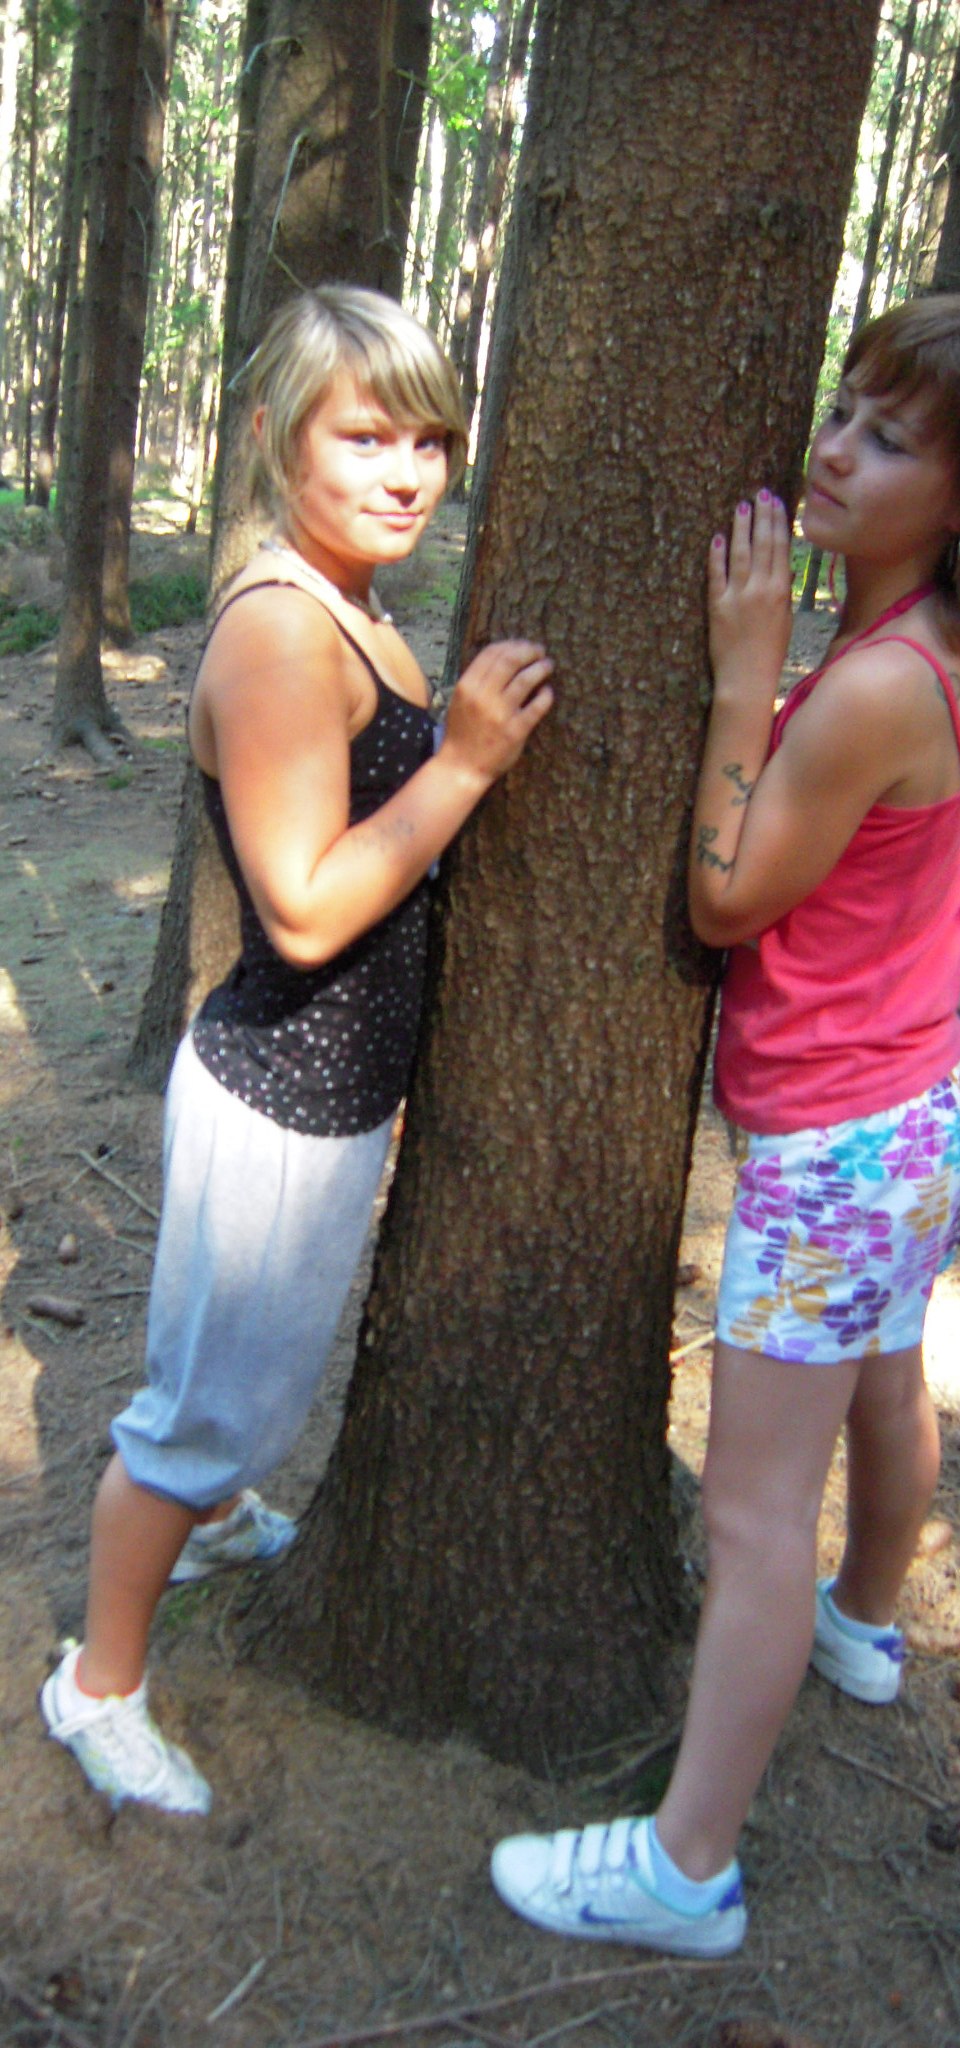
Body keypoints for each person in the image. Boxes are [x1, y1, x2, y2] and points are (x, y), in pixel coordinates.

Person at [490, 295, 960, 1955]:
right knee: (889, 1377)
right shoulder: (949, 644)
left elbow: (727, 898)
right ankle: (868, 1622)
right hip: (920, 1103)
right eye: (845, 410)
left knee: (754, 1516)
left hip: (836, 1149)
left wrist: (746, 682)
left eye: (890, 441)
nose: (832, 450)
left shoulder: (869, 688)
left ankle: (686, 1867)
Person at [40, 285, 553, 1816]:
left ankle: (211, 1524)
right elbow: (309, 909)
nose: (406, 472)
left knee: (238, 1389)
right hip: (277, 1103)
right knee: (195, 1419)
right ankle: (98, 1685)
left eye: (430, 440)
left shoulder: (356, 605)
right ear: (276, 438)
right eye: (365, 436)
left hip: (325, 1100)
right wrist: (467, 762)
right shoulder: (279, 630)